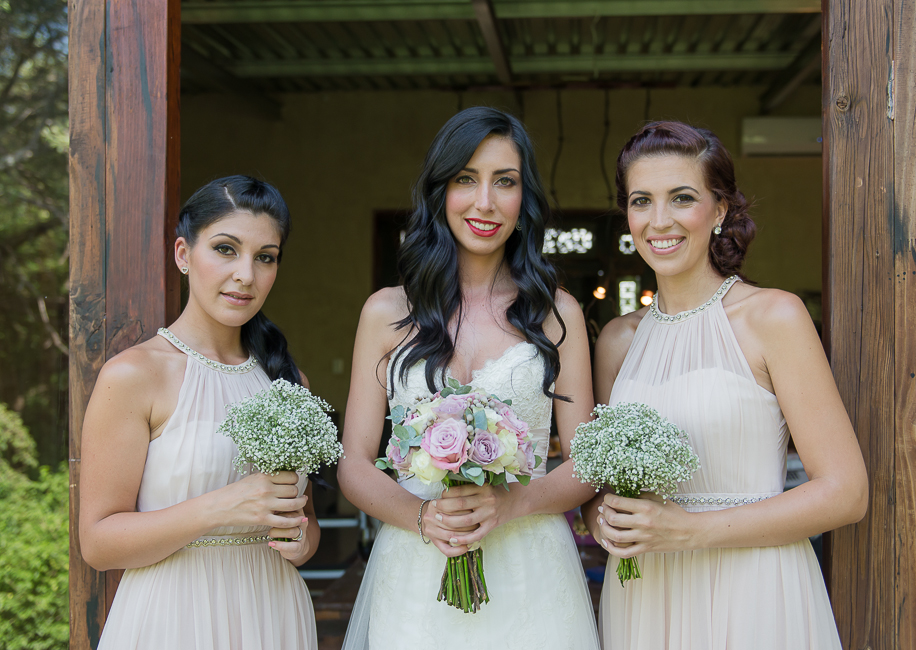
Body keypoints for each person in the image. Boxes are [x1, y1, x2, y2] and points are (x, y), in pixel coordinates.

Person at [582, 121, 868, 649]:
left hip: (754, 589)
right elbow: (601, 489)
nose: (659, 220)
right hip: (646, 596)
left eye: (682, 198)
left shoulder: (773, 317)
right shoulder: (618, 340)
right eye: (642, 200)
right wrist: (605, 518)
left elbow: (845, 493)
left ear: (719, 211)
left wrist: (690, 531)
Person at [337, 106, 600, 649]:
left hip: (531, 568)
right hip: (416, 568)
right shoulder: (385, 312)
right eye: (465, 180)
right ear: (441, 193)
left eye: (505, 182)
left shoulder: (558, 313)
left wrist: (516, 502)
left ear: (524, 199)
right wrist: (422, 516)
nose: (485, 203)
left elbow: (587, 461)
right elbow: (354, 464)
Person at [79, 176, 319, 649]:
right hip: (174, 618)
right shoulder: (134, 375)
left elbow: (305, 527)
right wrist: (219, 507)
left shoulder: (288, 380)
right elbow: (98, 542)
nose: (246, 275)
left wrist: (301, 541)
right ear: (183, 255)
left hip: (273, 614)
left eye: (265, 257)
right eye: (226, 249)